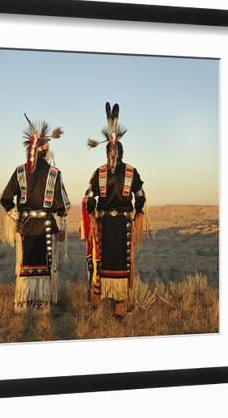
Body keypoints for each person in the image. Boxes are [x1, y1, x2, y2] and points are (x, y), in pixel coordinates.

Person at [81, 102, 147, 319]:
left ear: (114, 151)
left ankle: (110, 302)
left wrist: (93, 212)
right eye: (111, 151)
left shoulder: (114, 173)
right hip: (114, 225)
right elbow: (140, 197)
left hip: (114, 226)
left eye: (112, 150)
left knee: (112, 262)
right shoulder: (117, 172)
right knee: (112, 262)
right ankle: (109, 302)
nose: (111, 154)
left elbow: (91, 200)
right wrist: (136, 214)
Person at [0, 114, 70, 312]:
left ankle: (25, 302)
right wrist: (61, 227)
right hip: (46, 226)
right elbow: (63, 206)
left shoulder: (20, 172)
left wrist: (17, 218)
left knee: (25, 263)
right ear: (46, 151)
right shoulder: (54, 174)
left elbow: (5, 199)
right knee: (46, 265)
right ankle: (42, 303)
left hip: (25, 226)